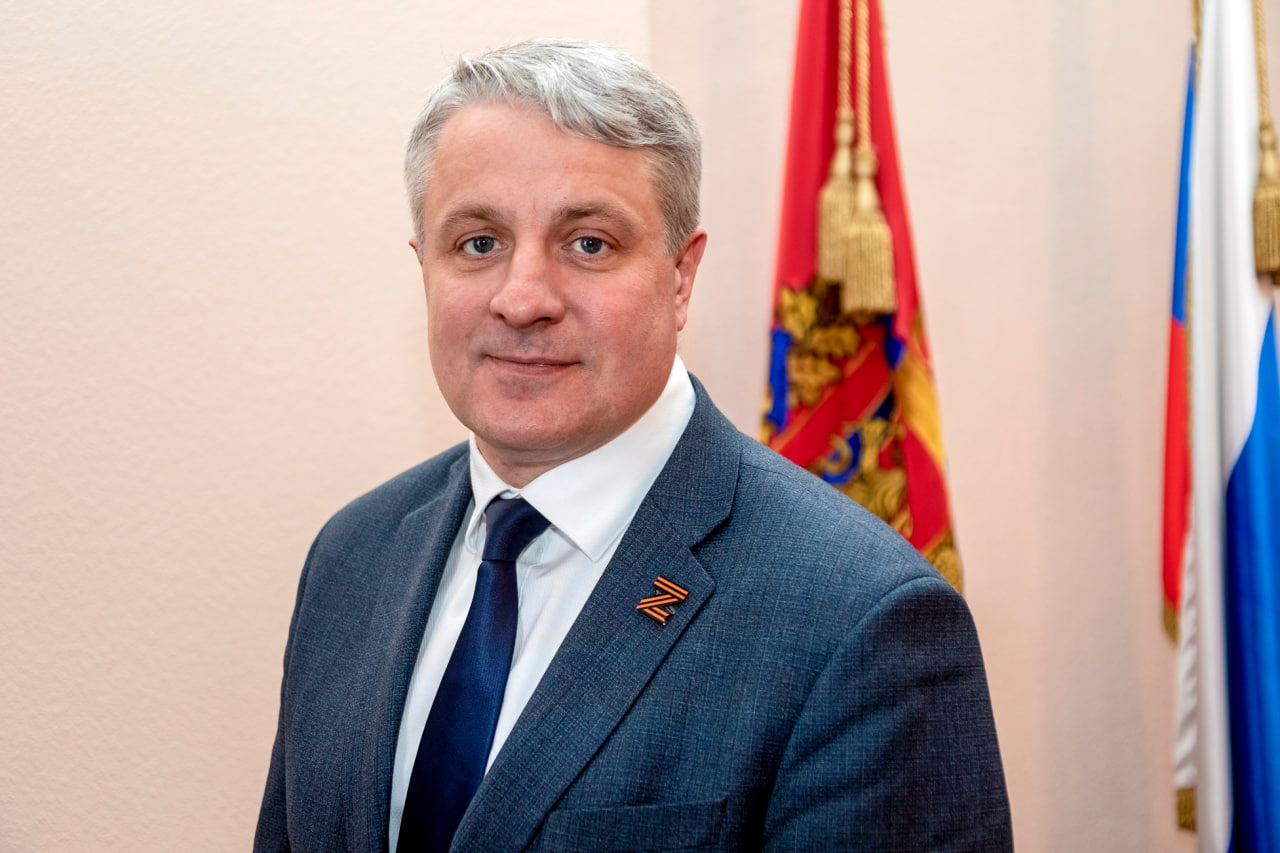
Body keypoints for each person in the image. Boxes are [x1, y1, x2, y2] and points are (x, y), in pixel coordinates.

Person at [254, 38, 1012, 852]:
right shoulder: (352, 557)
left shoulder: (861, 620)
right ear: (424, 267)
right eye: (478, 242)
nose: (523, 299)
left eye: (589, 243)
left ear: (681, 276)